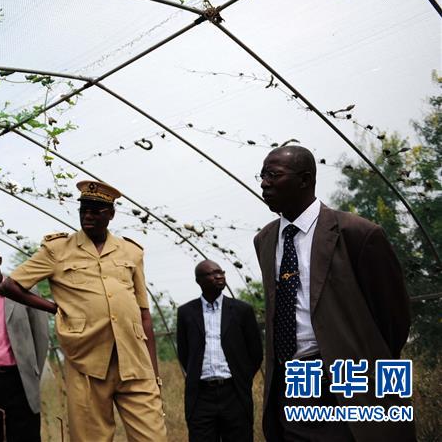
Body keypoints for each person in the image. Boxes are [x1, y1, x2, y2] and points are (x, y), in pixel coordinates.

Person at [254, 145, 414, 442]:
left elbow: (393, 318)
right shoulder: (265, 240)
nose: (264, 183)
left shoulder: (357, 233)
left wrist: (362, 359)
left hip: (345, 382)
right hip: (292, 384)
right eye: (262, 176)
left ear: (304, 179)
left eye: (273, 175)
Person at [0, 180, 167, 442]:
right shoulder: (57, 250)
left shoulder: (131, 252)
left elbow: (144, 314)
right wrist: (54, 308)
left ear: (110, 214)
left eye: (96, 211)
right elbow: (10, 286)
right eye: (83, 210)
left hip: (135, 362)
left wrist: (154, 374)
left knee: (153, 437)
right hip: (86, 361)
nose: (88, 215)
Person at [0, 244, 49, 442]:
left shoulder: (24, 291)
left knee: (26, 433)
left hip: (19, 377)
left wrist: (33, 371)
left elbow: (41, 335)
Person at [176, 260, 262, 442]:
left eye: (221, 272)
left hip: (234, 393)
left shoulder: (242, 310)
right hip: (201, 396)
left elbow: (255, 352)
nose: (219, 276)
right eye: (212, 273)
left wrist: (242, 378)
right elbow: (184, 353)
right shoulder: (186, 312)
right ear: (199, 280)